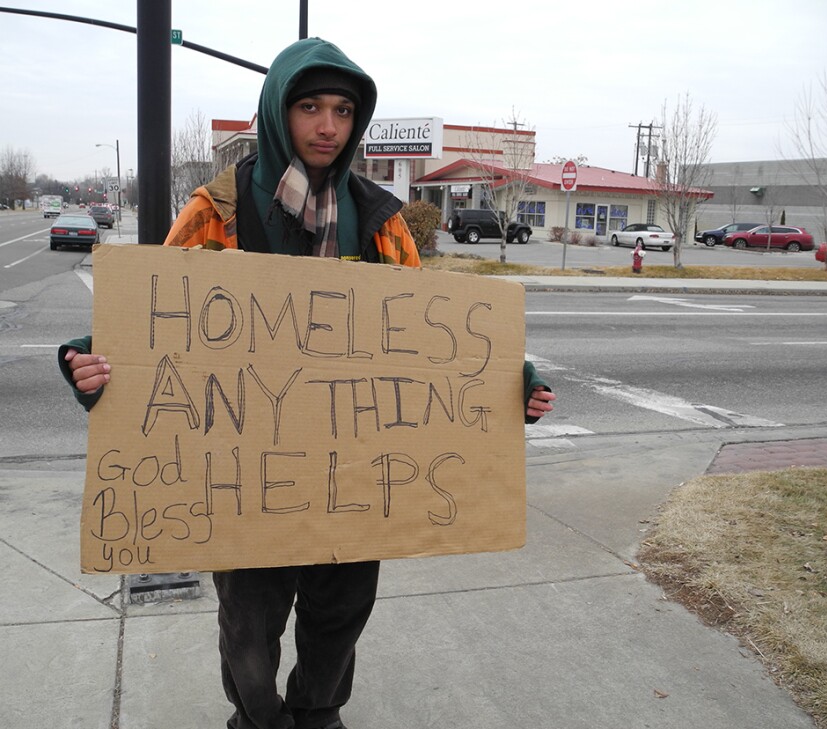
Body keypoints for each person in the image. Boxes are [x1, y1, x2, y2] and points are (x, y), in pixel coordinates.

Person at [59, 37, 556, 729]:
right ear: (277, 111)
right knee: (249, 632)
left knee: (338, 621)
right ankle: (257, 720)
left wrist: (510, 384)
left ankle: (319, 715)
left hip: (356, 475)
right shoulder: (216, 212)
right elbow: (150, 330)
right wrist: (90, 363)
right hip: (238, 476)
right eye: (310, 106)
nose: (328, 126)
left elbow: (428, 350)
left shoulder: (381, 223)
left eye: (344, 110)